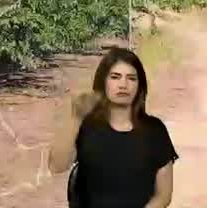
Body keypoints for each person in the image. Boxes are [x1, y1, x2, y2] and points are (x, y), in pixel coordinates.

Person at [48, 47, 178, 208]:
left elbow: (163, 196)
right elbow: (57, 166)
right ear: (103, 82)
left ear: (140, 86)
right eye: (115, 77)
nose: (123, 84)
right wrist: (76, 117)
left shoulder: (155, 130)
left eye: (131, 78)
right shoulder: (86, 125)